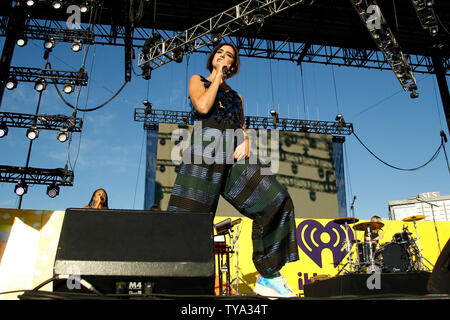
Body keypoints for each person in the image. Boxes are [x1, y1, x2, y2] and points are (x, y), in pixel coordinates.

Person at [167, 43, 299, 298]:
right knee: (188, 224)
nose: (223, 56)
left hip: (232, 155)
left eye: (229, 55)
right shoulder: (199, 80)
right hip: (204, 150)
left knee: (276, 199)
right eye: (220, 53)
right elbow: (203, 107)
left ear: (234, 65)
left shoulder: (237, 97)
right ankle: (175, 285)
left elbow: (242, 127)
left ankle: (269, 275)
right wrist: (216, 76)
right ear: (213, 58)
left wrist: (246, 140)